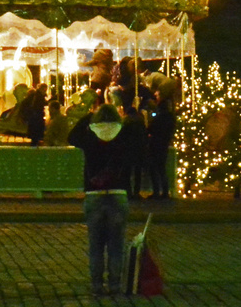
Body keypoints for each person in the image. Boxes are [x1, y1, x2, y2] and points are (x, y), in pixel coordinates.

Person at [69, 103, 134, 295]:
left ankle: (96, 285)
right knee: (116, 244)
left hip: (94, 194)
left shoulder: (90, 136)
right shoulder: (123, 134)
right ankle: (114, 284)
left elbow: (72, 136)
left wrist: (87, 117)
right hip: (118, 192)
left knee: (95, 244)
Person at [145, 90, 175, 201]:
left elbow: (150, 129)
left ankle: (156, 191)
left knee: (154, 169)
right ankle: (165, 191)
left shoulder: (158, 118)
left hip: (155, 144)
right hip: (164, 144)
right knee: (162, 169)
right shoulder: (170, 118)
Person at [23, 82, 49, 146]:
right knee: (36, 132)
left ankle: (35, 143)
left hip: (34, 117)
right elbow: (38, 105)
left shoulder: (36, 95)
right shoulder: (38, 96)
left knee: (35, 134)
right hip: (36, 117)